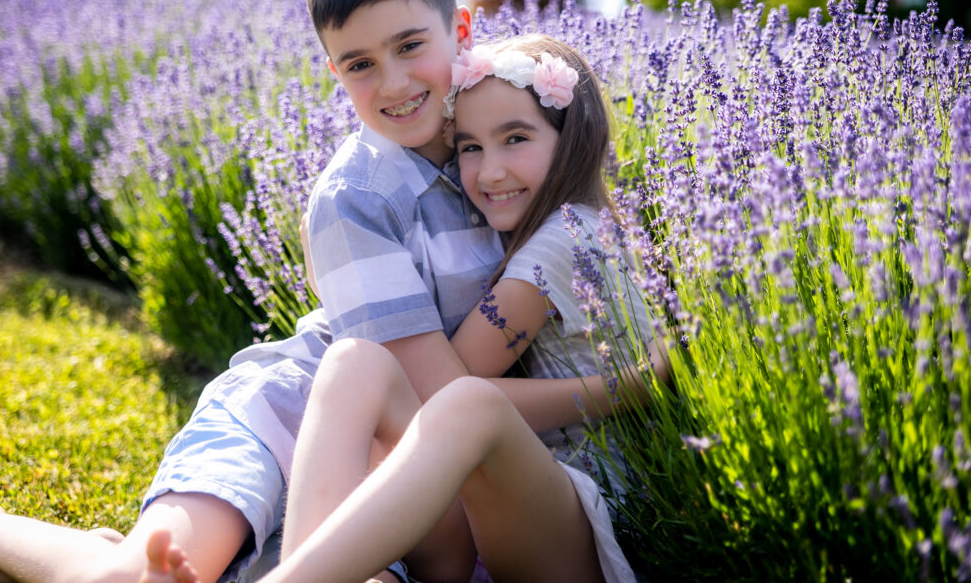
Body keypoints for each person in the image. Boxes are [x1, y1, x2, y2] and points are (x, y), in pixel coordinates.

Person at [0, 0, 630, 583]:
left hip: (384, 443)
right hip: (290, 408)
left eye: (409, 46)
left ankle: (54, 562)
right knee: (139, 576)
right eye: (361, 64)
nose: (393, 83)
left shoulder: (486, 149)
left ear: (459, 35)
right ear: (335, 72)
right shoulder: (353, 197)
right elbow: (444, 397)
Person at [142, 35, 671, 583]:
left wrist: (624, 390)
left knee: (469, 404)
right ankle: (305, 565)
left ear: (572, 140)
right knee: (355, 360)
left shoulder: (562, 241)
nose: (489, 172)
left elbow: (441, 391)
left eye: (515, 138)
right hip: (521, 497)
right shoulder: (567, 225)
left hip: (590, 514)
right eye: (470, 147)